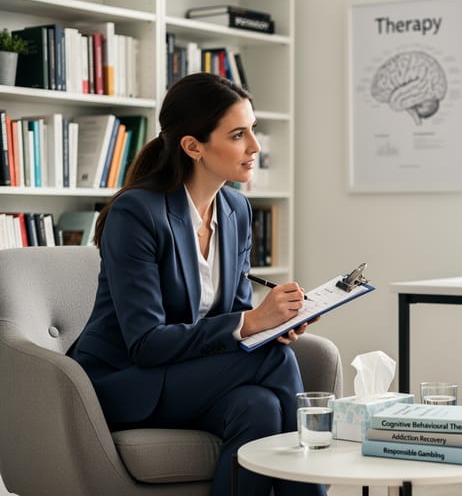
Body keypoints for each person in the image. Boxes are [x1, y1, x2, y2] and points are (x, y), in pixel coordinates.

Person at [69, 72, 326, 496]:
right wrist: (250, 323)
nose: (255, 147)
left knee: (257, 407)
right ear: (193, 146)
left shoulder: (236, 210)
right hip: (126, 381)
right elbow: (146, 343)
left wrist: (275, 326)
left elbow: (237, 314)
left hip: (192, 378)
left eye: (254, 131)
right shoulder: (137, 213)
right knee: (277, 364)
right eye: (239, 134)